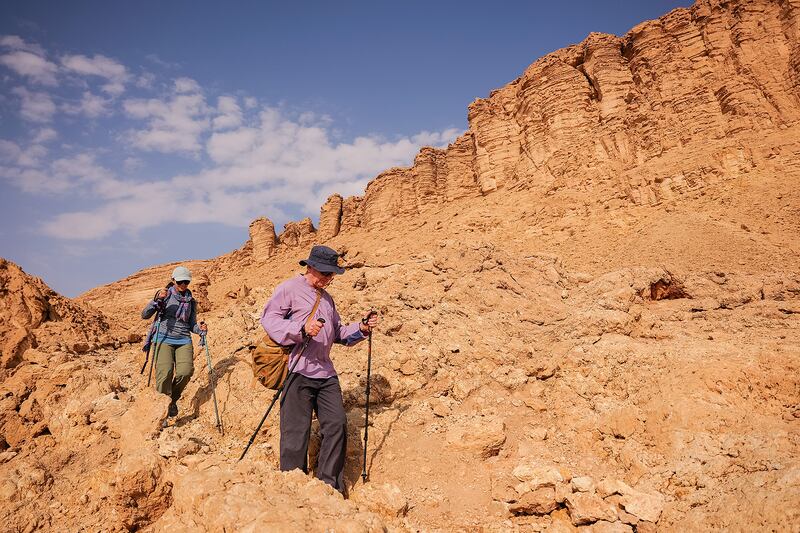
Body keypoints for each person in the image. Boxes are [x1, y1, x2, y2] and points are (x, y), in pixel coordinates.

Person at [260, 245, 379, 493]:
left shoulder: (327, 299)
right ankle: (292, 488)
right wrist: (301, 330)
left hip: (326, 374)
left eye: (332, 274)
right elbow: (270, 320)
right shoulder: (289, 289)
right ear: (310, 267)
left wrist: (362, 328)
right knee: (295, 433)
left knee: (337, 424)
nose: (328, 278)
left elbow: (338, 333)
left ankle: (329, 487)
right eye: (325, 273)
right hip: (297, 369)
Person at [141, 265, 208, 418]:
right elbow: (145, 315)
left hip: (183, 339)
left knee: (186, 372)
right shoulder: (164, 295)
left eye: (186, 282)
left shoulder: (191, 302)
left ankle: (172, 399)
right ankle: (162, 410)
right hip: (163, 338)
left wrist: (201, 329)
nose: (184, 285)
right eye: (180, 282)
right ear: (173, 280)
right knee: (165, 373)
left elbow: (192, 325)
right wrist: (156, 300)